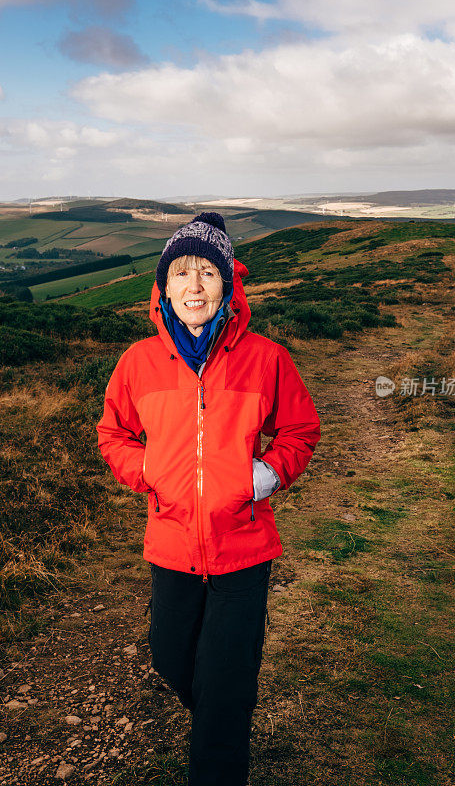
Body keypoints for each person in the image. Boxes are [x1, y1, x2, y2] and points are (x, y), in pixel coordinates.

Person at [96, 212, 321, 786]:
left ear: (228, 284)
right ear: (163, 288)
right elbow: (113, 432)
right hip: (170, 541)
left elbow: (300, 430)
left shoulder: (266, 358)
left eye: (206, 273)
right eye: (180, 273)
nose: (194, 286)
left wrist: (262, 479)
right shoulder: (138, 362)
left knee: (224, 680)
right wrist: (145, 468)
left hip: (243, 545)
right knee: (171, 660)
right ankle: (222, 719)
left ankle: (221, 740)